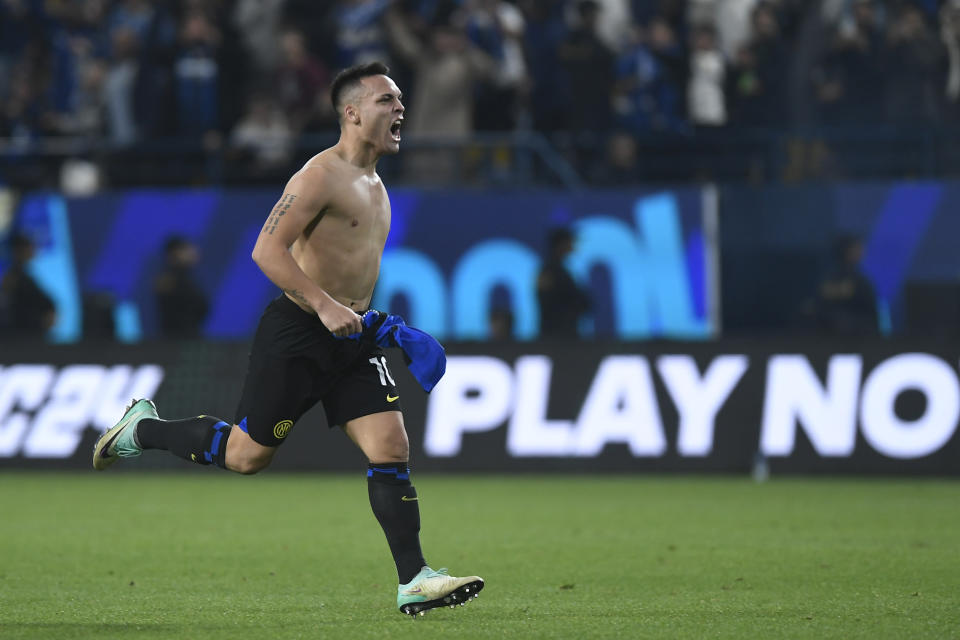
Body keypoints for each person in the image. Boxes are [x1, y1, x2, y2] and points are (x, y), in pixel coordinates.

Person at [92, 62, 483, 616]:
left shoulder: (376, 184)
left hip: (353, 339)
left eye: (399, 100)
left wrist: (368, 320)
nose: (400, 109)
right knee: (247, 457)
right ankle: (142, 430)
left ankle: (414, 578)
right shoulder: (317, 177)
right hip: (299, 331)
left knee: (391, 448)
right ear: (352, 112)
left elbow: (350, 271)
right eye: (386, 101)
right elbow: (265, 251)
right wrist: (324, 306)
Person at [536, 227, 591, 338]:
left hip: (564, 335)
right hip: (556, 338)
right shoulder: (550, 271)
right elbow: (549, 305)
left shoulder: (562, 271)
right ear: (560, 245)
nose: (573, 245)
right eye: (570, 242)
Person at [0, 232, 56, 339]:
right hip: (23, 337)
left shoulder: (26, 275)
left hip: (32, 335)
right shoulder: (13, 278)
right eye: (29, 247)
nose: (33, 250)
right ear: (18, 251)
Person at [154, 235, 210, 338]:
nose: (193, 252)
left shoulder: (189, 279)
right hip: (174, 342)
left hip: (191, 338)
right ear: (175, 253)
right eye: (186, 250)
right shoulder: (167, 281)